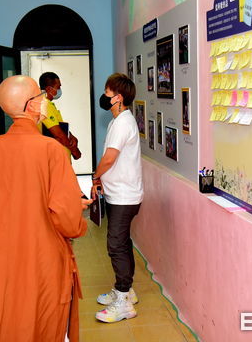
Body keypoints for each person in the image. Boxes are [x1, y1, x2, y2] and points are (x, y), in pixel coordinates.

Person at [0, 75, 91, 342]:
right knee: (43, 316)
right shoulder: (51, 150)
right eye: (41, 96)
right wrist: (77, 212)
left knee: (8, 313)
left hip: (3, 252)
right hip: (41, 252)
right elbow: (66, 219)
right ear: (32, 106)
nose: (46, 100)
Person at [91, 73, 143, 323]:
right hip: (119, 193)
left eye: (107, 92)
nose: (104, 96)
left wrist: (94, 176)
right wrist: (102, 179)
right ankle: (126, 290)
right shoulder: (118, 120)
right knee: (122, 242)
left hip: (124, 195)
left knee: (115, 245)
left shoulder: (122, 123)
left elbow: (109, 158)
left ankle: (123, 302)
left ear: (118, 97)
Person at [38, 71, 82, 160]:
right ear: (49, 89)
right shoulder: (45, 105)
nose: (59, 90)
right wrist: (75, 151)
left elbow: (58, 128)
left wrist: (70, 135)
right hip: (57, 160)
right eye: (58, 87)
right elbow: (59, 135)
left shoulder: (48, 104)